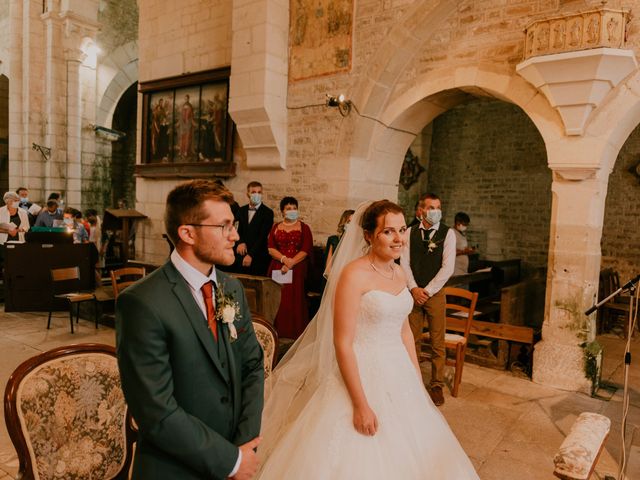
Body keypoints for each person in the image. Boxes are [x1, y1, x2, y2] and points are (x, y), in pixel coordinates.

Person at [256, 200, 478, 479]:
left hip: (398, 370)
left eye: (401, 230)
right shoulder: (353, 275)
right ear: (369, 236)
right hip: (363, 370)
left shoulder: (399, 273)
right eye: (388, 232)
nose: (398, 239)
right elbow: (342, 343)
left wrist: (415, 379)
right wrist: (360, 404)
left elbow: (404, 330)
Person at [116, 179, 264, 480]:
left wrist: (243, 447)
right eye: (224, 226)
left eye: (233, 224)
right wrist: (229, 461)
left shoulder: (231, 288)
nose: (235, 235)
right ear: (187, 233)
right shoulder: (142, 302)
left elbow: (252, 366)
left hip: (236, 456)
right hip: (174, 469)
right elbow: (156, 410)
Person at [400, 192, 456, 406]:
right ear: (421, 210)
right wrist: (414, 288)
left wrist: (427, 291)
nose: (436, 211)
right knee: (410, 340)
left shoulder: (447, 234)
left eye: (438, 207)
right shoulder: (410, 232)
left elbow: (447, 267)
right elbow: (404, 262)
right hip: (412, 293)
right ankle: (411, 381)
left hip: (435, 294)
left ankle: (436, 385)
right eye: (431, 207)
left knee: (437, 342)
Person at [267, 196, 313, 339]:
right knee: (278, 301)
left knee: (294, 301)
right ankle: (276, 333)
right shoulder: (275, 227)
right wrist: (284, 259)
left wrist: (291, 263)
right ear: (282, 211)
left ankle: (294, 335)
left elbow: (306, 249)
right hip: (277, 267)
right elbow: (270, 248)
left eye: (294, 208)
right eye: (288, 208)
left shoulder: (304, 228)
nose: (292, 211)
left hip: (297, 269)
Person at [234, 181, 274, 276]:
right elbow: (236, 229)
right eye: (253, 192)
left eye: (259, 192)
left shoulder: (268, 212)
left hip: (258, 256)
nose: (257, 194)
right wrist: (240, 242)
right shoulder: (241, 210)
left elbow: (263, 236)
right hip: (240, 254)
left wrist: (251, 255)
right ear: (248, 193)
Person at [324, 208, 354, 273]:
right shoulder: (334, 240)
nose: (351, 225)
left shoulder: (358, 244)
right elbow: (328, 268)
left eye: (353, 223)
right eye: (349, 222)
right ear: (344, 223)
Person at [453, 211, 475, 276]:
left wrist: (468, 250)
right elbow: (451, 252)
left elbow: (461, 248)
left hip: (463, 269)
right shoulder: (452, 233)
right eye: (464, 224)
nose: (465, 226)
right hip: (455, 269)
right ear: (458, 222)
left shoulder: (462, 234)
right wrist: (464, 252)